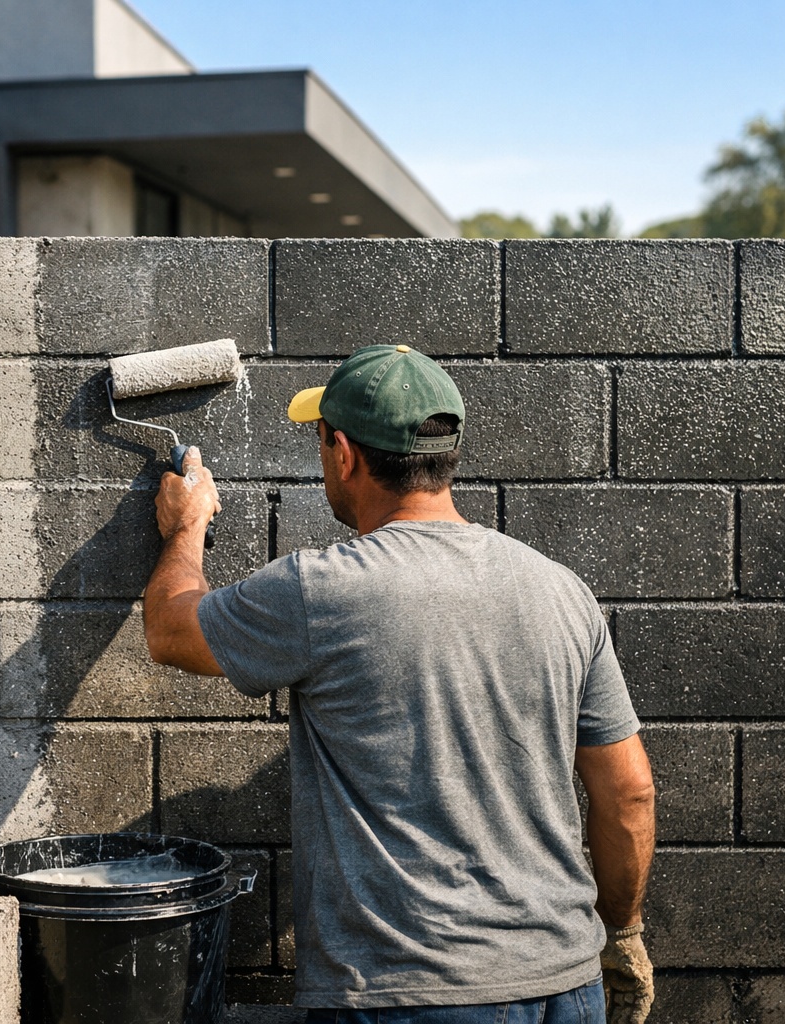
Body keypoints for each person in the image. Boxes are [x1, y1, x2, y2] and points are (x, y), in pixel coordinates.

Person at [142, 344, 656, 1024]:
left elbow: (171, 632)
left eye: (320, 440)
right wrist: (623, 933)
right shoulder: (562, 592)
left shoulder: (322, 590)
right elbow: (628, 791)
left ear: (346, 454)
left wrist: (186, 527)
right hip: (563, 986)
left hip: (405, 996)